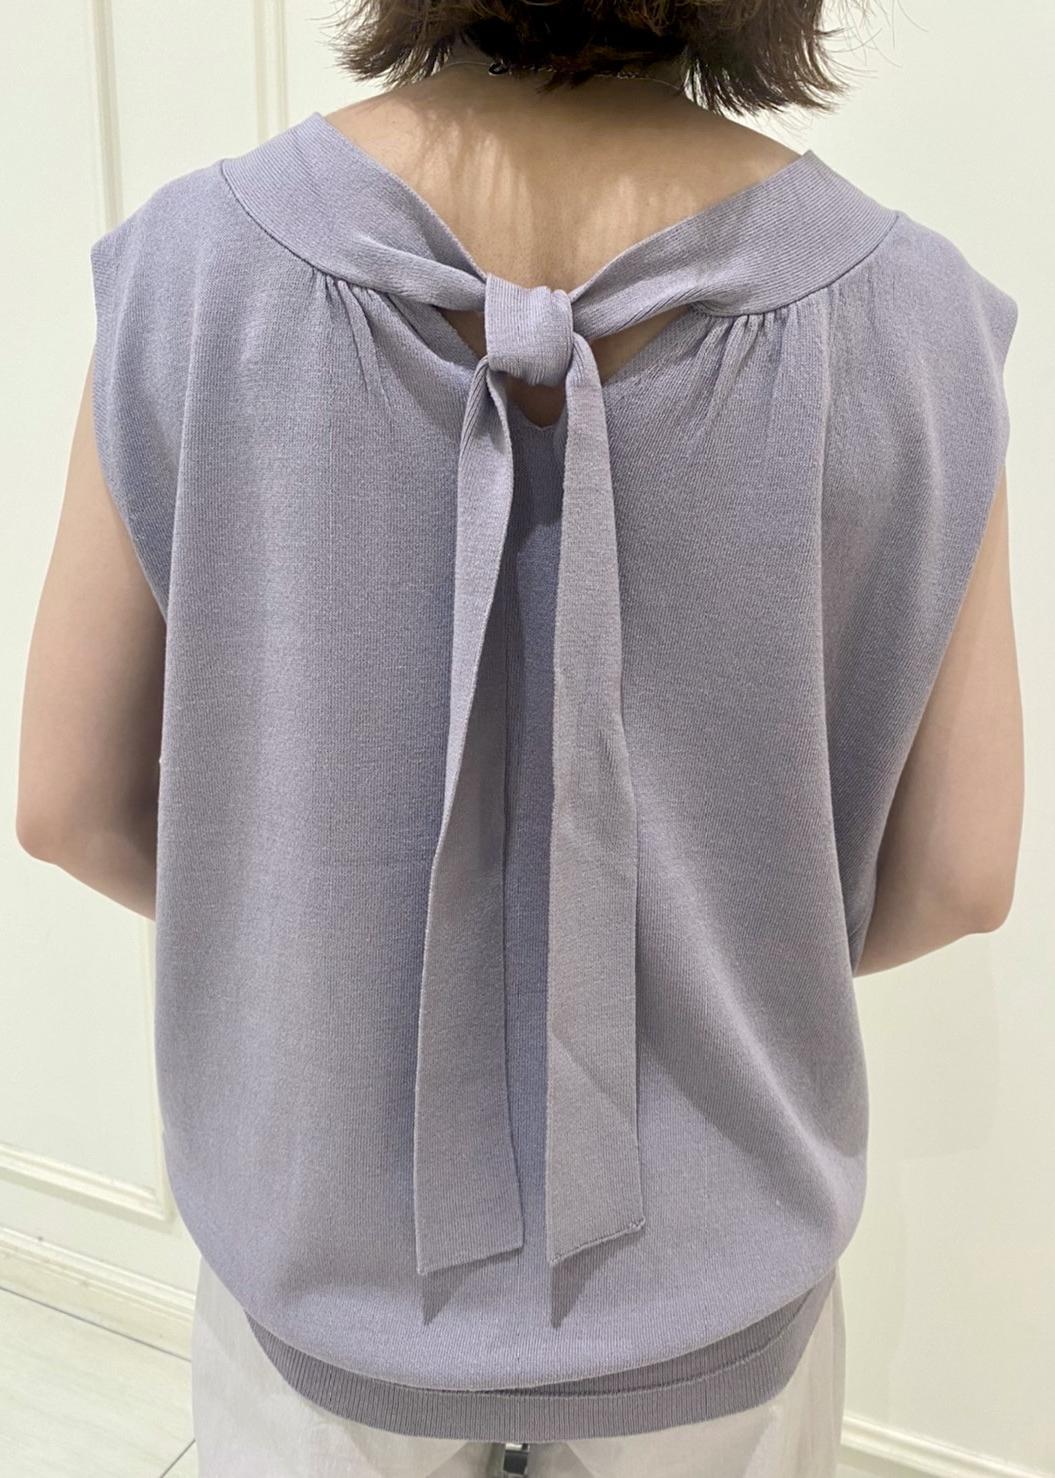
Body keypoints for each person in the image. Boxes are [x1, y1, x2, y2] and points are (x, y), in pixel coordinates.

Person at [17, 3, 1023, 1475]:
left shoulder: (194, 269)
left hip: (324, 1265)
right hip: (715, 1296)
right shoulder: (916, 317)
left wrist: (316, 955)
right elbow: (963, 877)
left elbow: (62, 801)